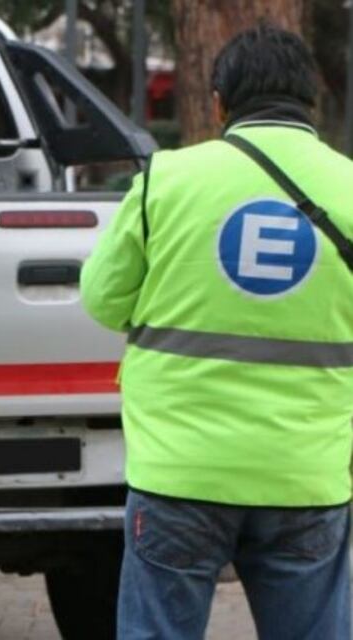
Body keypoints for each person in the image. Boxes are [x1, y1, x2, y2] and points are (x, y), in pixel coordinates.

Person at [80, 21, 353, 640]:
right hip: (305, 472)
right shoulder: (350, 189)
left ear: (220, 102)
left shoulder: (165, 181)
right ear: (311, 102)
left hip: (180, 472)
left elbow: (101, 300)